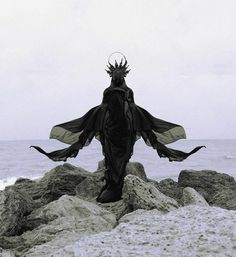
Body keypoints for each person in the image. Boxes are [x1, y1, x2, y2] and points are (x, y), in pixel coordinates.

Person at [31, 53, 204, 203]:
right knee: (110, 162)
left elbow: (133, 108)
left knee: (120, 162)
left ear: (124, 74)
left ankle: (116, 189)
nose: (117, 76)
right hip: (110, 132)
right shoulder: (107, 91)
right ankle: (111, 189)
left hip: (125, 132)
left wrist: (138, 122)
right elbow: (103, 109)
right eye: (115, 73)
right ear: (111, 74)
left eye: (120, 73)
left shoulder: (129, 91)